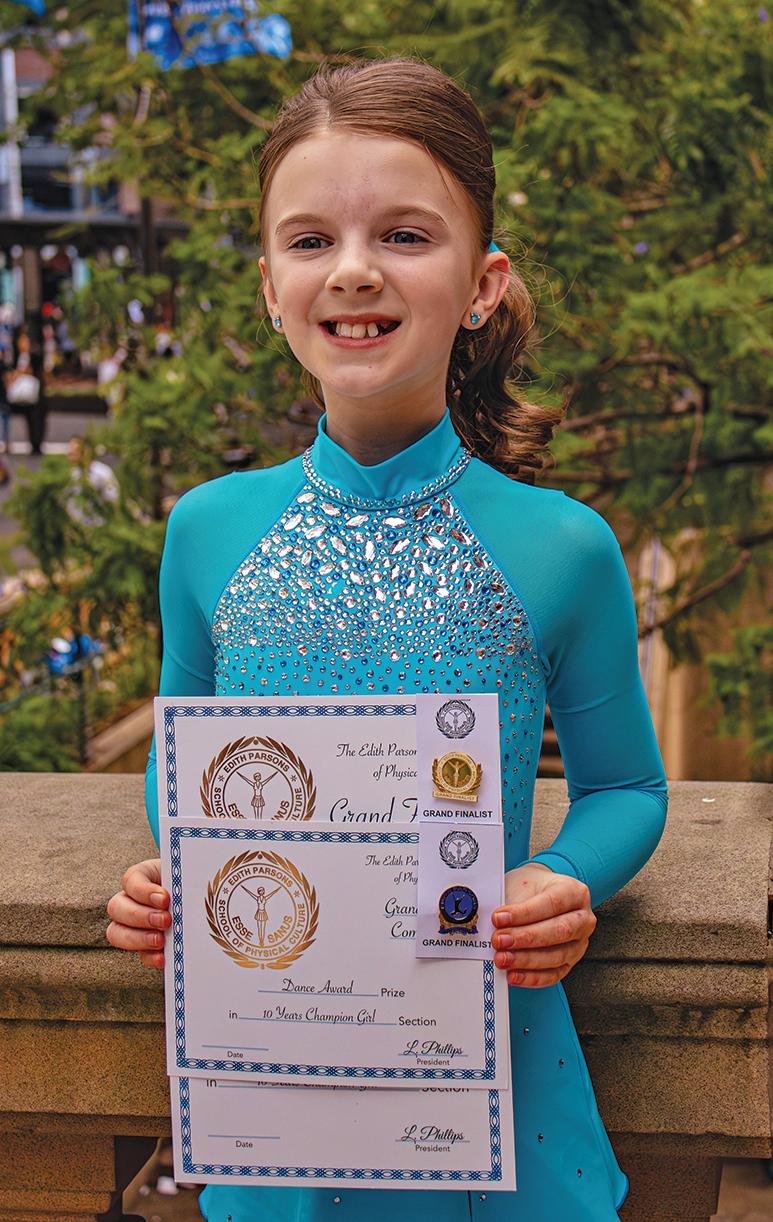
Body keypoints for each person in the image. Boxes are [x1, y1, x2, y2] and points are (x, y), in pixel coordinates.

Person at [105, 56, 669, 1222]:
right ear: (269, 288)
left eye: (404, 236)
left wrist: (561, 878)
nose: (353, 269)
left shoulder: (562, 548)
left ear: (482, 283)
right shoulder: (206, 532)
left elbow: (625, 787)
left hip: (497, 1085)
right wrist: (185, 866)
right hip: (278, 1091)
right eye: (310, 240)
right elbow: (183, 755)